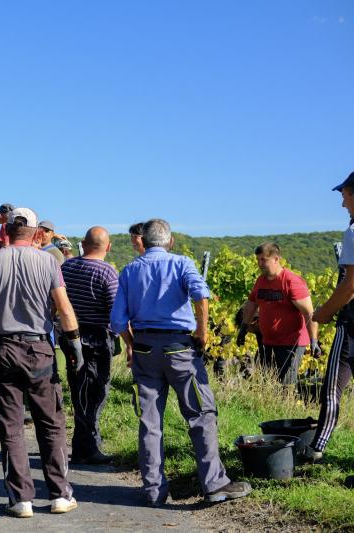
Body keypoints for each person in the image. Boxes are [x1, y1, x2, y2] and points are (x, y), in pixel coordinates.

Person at [110, 219, 250, 506]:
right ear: (169, 241)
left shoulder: (129, 270)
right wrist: (203, 330)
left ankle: (154, 490)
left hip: (145, 349)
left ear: (144, 242)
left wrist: (131, 343)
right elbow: (200, 295)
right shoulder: (182, 264)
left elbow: (117, 320)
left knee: (150, 421)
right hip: (180, 349)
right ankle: (214, 483)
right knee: (200, 414)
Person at [0, 207, 82, 518]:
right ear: (37, 232)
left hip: (4, 349)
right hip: (39, 349)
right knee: (51, 423)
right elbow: (64, 308)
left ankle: (20, 499)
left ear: (8, 230)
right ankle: (60, 494)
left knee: (11, 426)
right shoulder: (49, 262)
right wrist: (75, 344)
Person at [60, 226, 118, 465]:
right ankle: (89, 446)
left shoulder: (66, 267)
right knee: (95, 391)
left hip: (70, 335)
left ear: (83, 243)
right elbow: (116, 311)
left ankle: (81, 443)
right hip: (96, 338)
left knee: (77, 388)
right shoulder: (107, 272)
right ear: (109, 246)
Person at [311, 172, 354, 461]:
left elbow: (350, 285)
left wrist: (323, 313)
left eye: (345, 196)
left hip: (352, 325)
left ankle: (316, 448)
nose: (343, 204)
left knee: (332, 389)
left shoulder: (353, 231)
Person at [237, 243, 320, 385]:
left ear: (276, 259)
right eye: (258, 260)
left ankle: (287, 407)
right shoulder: (261, 281)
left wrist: (313, 340)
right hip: (268, 341)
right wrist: (243, 327)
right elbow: (251, 304)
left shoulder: (291, 281)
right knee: (266, 382)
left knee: (285, 384)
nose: (259, 264)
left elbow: (309, 313)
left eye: (263, 260)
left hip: (291, 343)